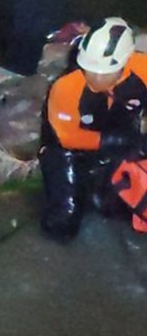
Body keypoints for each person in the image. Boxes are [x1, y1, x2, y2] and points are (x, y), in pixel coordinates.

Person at [39, 17, 147, 240]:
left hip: (122, 135)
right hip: (70, 150)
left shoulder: (142, 70)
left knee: (125, 206)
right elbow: (66, 137)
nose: (97, 78)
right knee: (62, 224)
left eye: (106, 71)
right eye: (90, 69)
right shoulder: (66, 87)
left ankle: (103, 188)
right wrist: (117, 141)